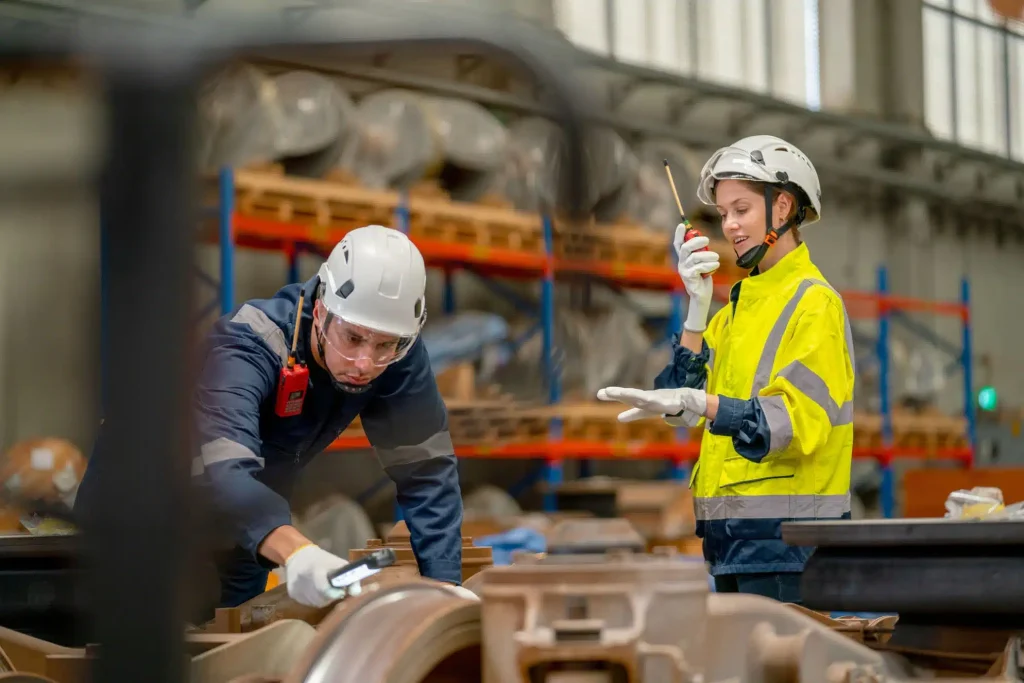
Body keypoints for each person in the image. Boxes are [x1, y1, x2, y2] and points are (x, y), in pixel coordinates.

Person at [76, 225, 470, 610]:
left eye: (385, 345)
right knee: (133, 628)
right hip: (140, 511)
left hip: (248, 520)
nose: (364, 363)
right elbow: (223, 469)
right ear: (321, 310)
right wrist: (298, 552)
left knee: (240, 631)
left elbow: (427, 471)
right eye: (352, 338)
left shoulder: (393, 353)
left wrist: (446, 590)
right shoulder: (250, 346)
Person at [597, 135, 854, 603]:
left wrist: (703, 404)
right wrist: (696, 311)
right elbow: (684, 398)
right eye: (722, 213)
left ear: (782, 206)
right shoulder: (736, 310)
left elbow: (792, 423)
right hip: (732, 543)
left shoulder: (814, 304)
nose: (729, 225)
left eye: (741, 209)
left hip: (789, 548)